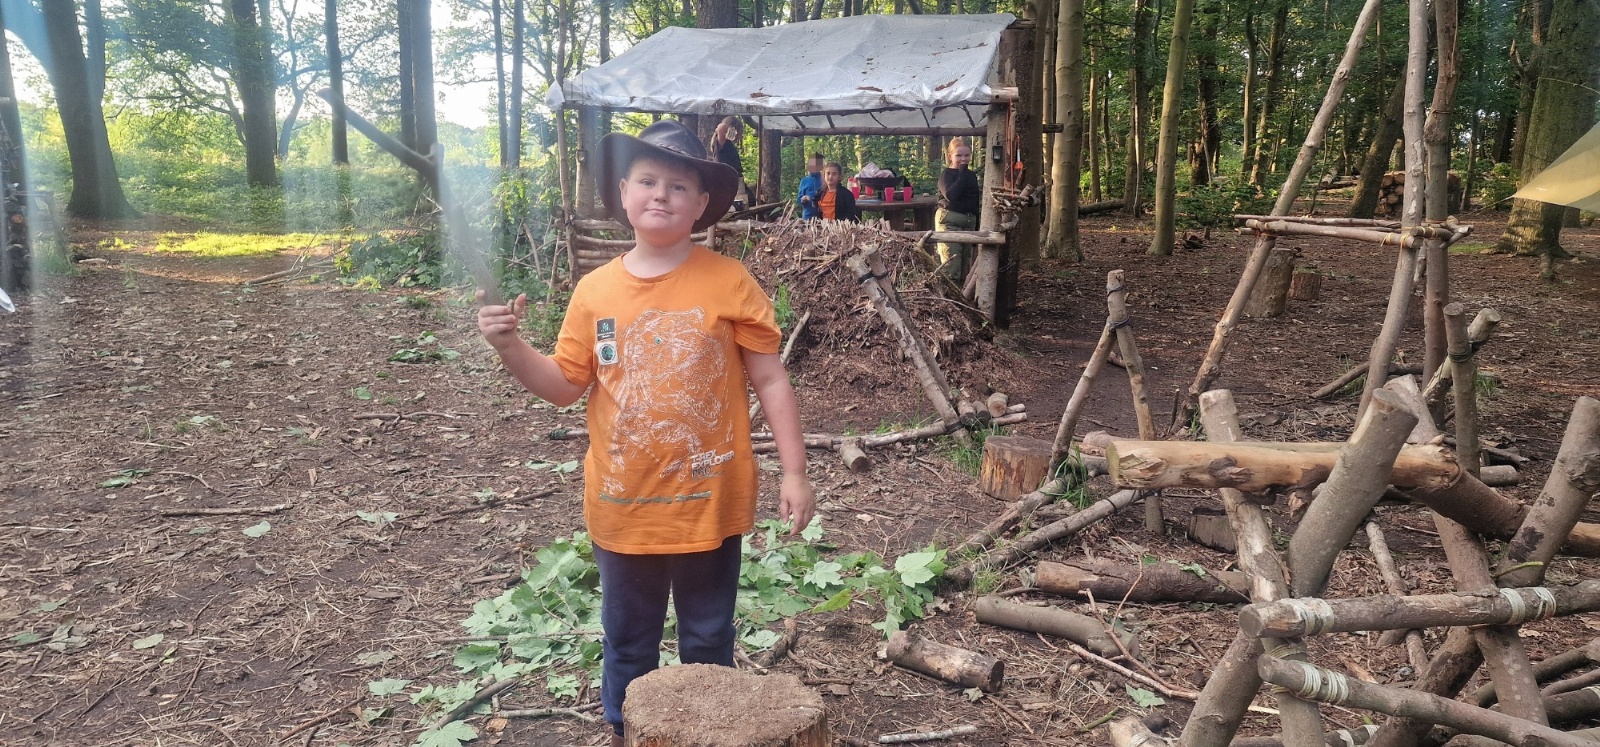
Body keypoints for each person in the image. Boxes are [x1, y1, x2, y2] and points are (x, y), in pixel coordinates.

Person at [476, 120, 815, 747]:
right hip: (623, 504)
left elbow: (770, 379)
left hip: (709, 502)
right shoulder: (594, 291)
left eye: (679, 186)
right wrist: (509, 347)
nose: (662, 194)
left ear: (702, 204)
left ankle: (711, 735)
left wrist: (794, 472)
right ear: (623, 193)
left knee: (708, 638)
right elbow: (563, 385)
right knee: (629, 641)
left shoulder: (729, 281)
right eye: (648, 181)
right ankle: (625, 732)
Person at [935, 137, 981, 280]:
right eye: (959, 155)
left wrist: (977, 229)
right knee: (951, 268)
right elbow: (951, 195)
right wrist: (961, 173)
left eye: (966, 155)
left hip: (969, 223)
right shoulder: (946, 175)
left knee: (964, 268)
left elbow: (975, 201)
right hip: (950, 222)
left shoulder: (971, 176)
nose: (963, 159)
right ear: (950, 156)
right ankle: (948, 294)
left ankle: (962, 293)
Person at [709, 116, 753, 206]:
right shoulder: (721, 143)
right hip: (728, 180)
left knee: (750, 200)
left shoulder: (727, 144)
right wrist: (729, 129)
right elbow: (721, 127)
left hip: (735, 178)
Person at [797, 152, 825, 220]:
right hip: (807, 215)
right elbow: (799, 200)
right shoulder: (804, 180)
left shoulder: (825, 179)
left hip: (823, 215)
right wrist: (803, 199)